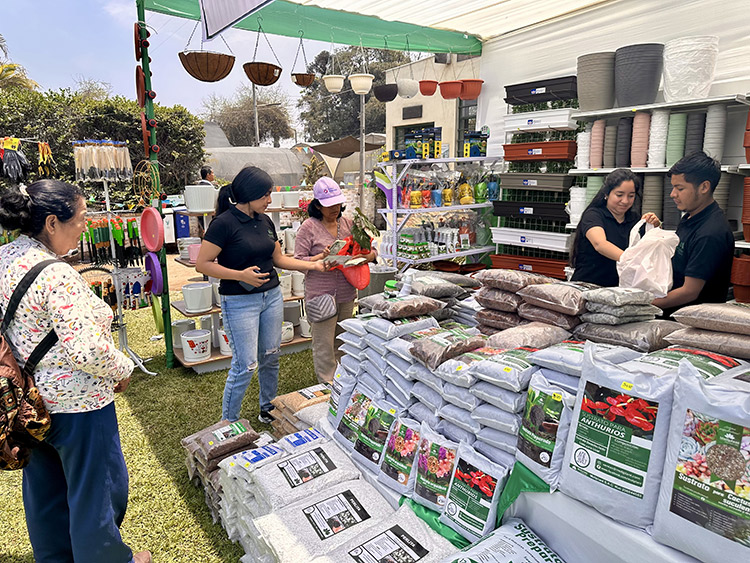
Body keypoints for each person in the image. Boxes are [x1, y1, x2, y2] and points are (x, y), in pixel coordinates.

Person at [0, 180, 150, 563]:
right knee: (95, 493)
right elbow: (87, 351)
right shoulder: (56, 275)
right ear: (52, 222)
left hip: (29, 403)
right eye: (82, 217)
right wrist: (123, 366)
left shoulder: (4, 259)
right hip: (77, 404)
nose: (86, 225)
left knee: (46, 493)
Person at [195, 166, 327, 424]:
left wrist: (314, 264)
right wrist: (240, 275)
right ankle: (228, 424)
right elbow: (203, 263)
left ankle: (268, 408)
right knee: (245, 365)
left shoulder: (265, 221)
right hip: (239, 302)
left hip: (272, 297)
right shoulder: (223, 223)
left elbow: (278, 259)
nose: (269, 200)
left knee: (271, 356)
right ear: (249, 194)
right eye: (265, 195)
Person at [294, 177, 377, 383]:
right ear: (317, 205)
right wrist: (319, 258)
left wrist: (367, 256)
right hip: (321, 294)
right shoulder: (308, 228)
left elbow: (371, 251)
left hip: (347, 291)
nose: (334, 208)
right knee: (324, 345)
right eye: (328, 204)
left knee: (343, 340)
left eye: (337, 203)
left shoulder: (349, 224)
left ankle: (342, 382)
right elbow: (298, 260)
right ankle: (326, 385)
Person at [653, 151, 734, 317]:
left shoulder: (710, 233)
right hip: (672, 314)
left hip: (692, 323)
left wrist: (643, 303)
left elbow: (689, 292)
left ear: (704, 187)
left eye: (680, 188)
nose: (672, 194)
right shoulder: (690, 217)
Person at [570, 168, 660, 286]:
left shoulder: (634, 219)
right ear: (607, 194)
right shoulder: (594, 215)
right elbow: (600, 244)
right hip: (587, 287)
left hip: (617, 290)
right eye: (619, 195)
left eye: (631, 196)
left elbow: (651, 246)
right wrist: (630, 261)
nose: (625, 201)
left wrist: (655, 225)